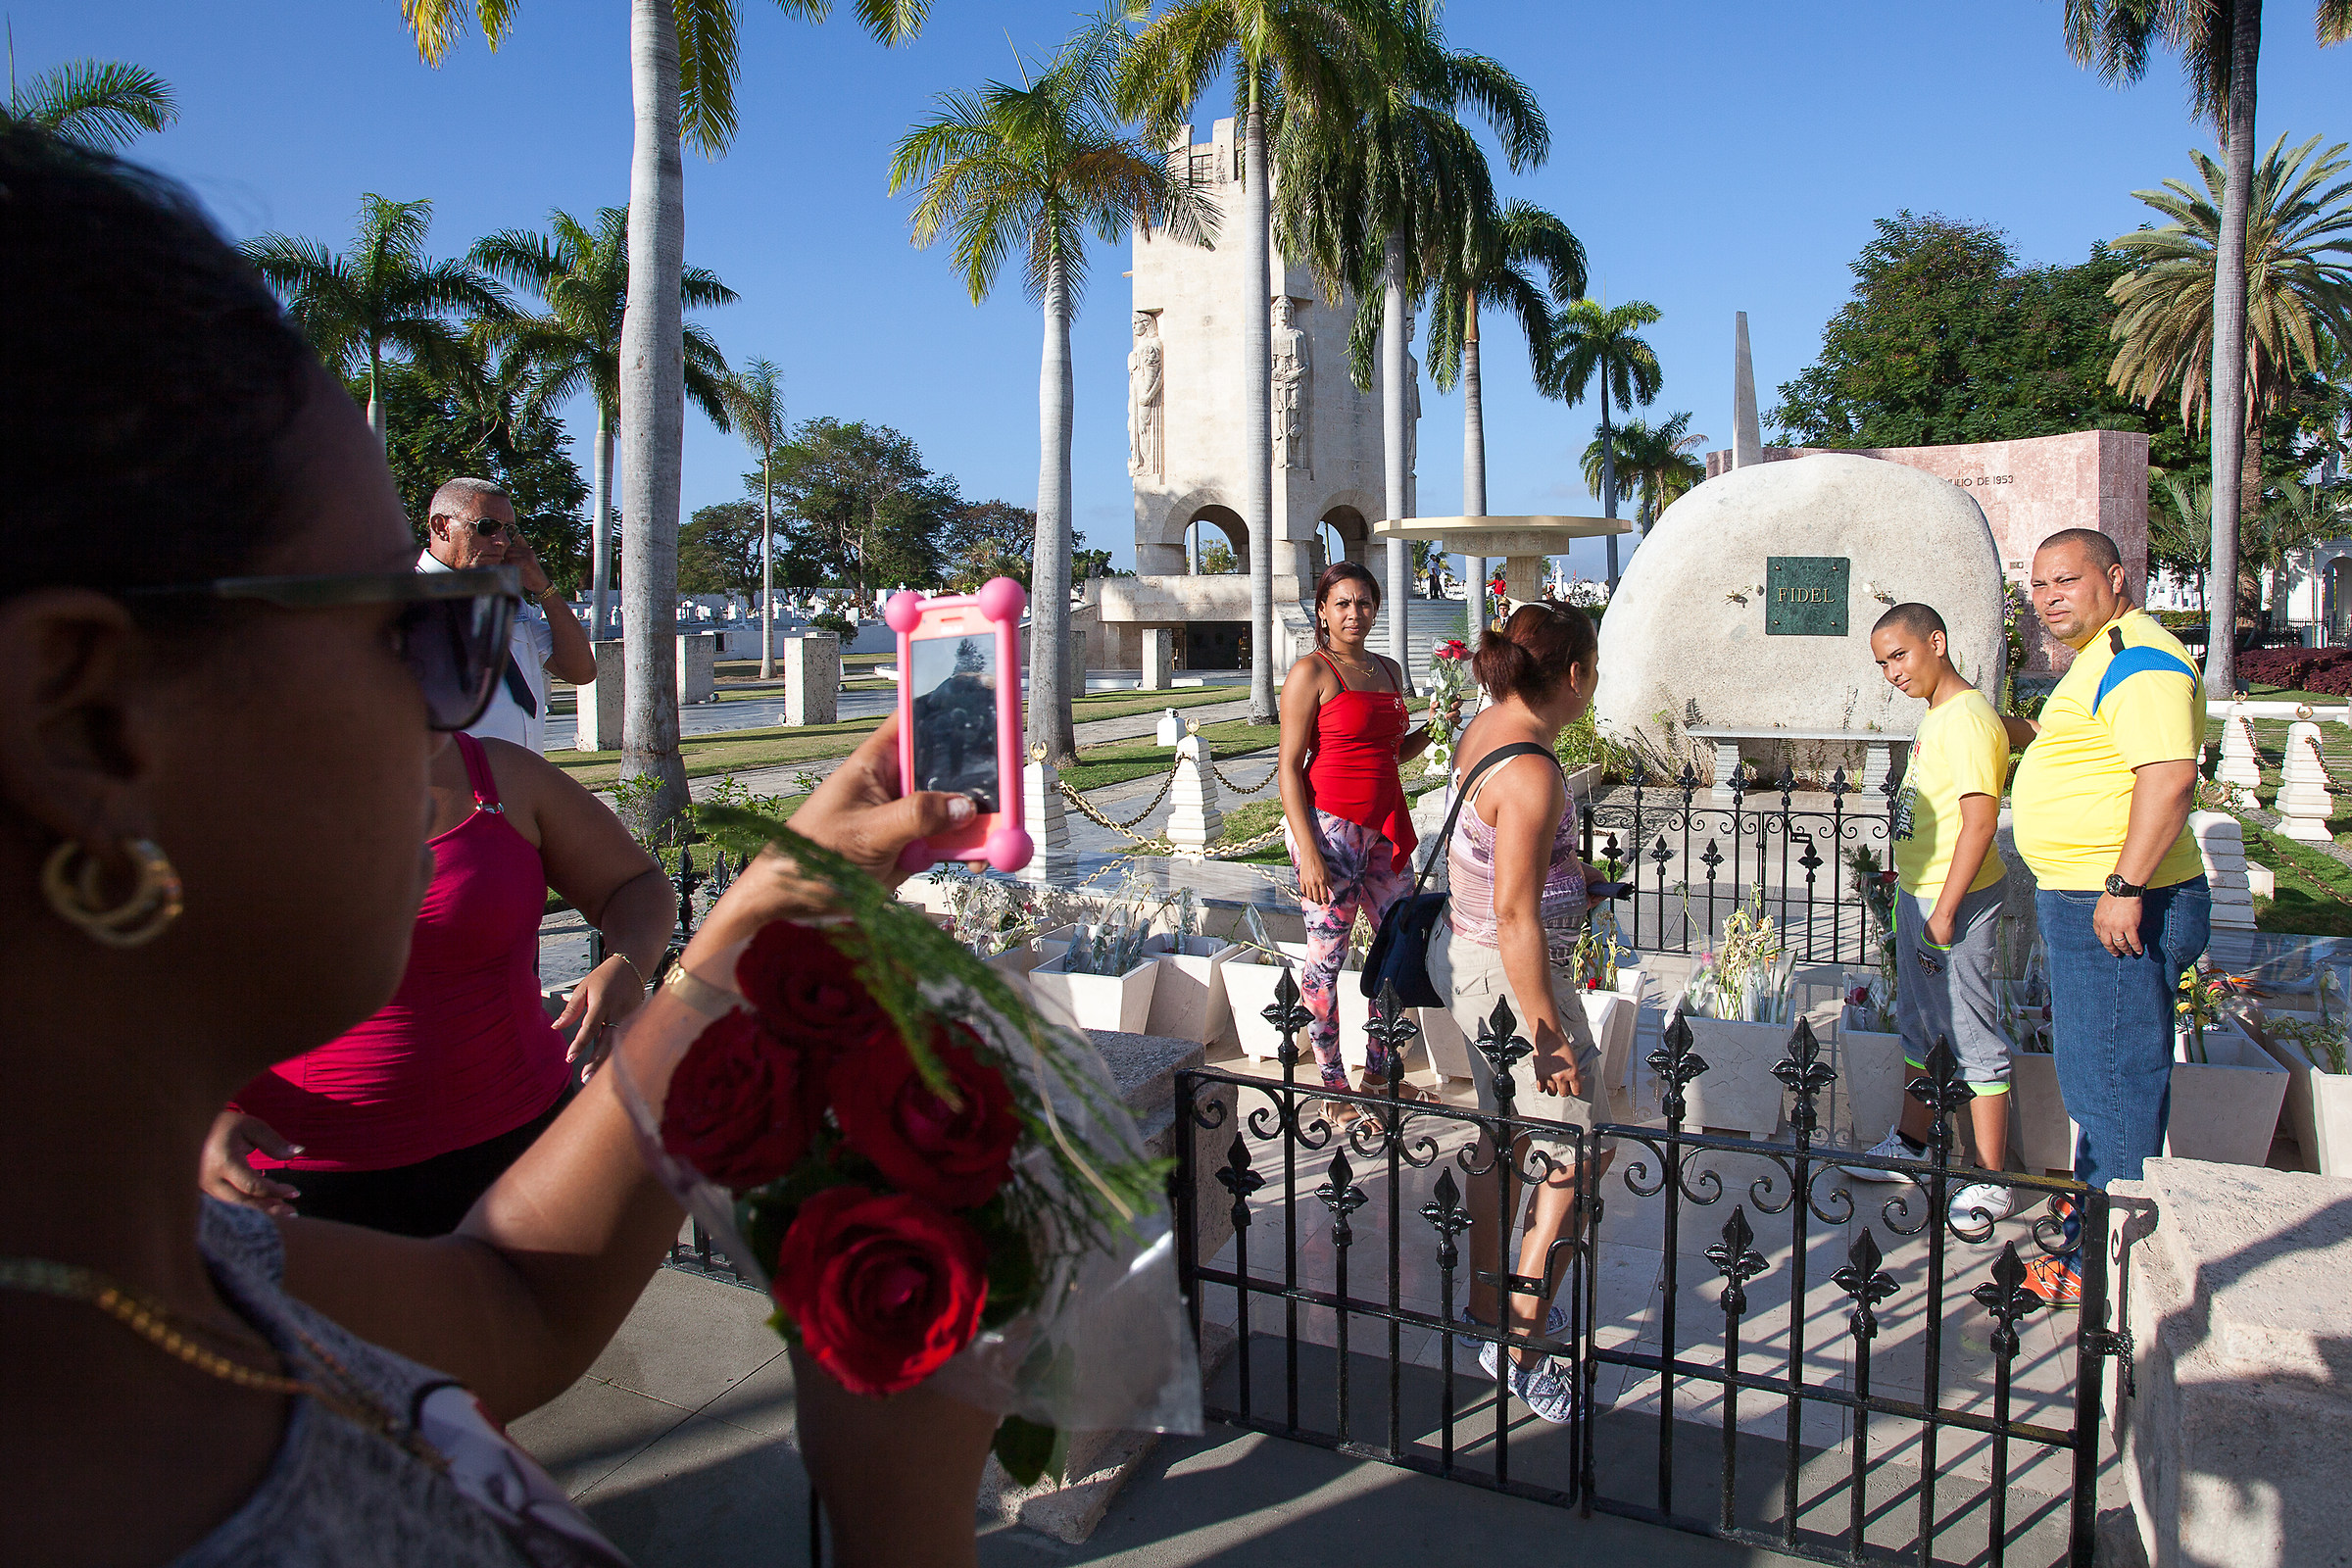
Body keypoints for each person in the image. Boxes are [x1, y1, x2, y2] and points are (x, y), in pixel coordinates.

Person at [0, 126, 998, 1567]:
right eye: (404, 629)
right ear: (88, 725)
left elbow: (511, 1303)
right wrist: (903, 1520)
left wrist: (750, 932)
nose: (455, 704)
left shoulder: (157, 1274)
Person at [202, 729, 676, 1237]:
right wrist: (196, 1122)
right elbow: (131, 995)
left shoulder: (500, 774)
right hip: (295, 1185)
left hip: (527, 1148)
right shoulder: (214, 791)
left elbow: (635, 885)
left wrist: (627, 962)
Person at [1427, 602, 1621, 1426]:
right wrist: (1548, 1039)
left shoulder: (1488, 724)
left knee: (1502, 1139)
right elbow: (1515, 915)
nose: (1596, 683)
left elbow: (1498, 865)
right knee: (1581, 1152)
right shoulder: (1534, 767)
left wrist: (1574, 881)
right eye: (1597, 667)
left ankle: (1484, 1307)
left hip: (1468, 957)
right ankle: (1521, 1344)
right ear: (1574, 673)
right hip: (1511, 981)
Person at [2005, 529, 2208, 1306]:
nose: (2049, 596)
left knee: (2115, 1081)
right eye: (2039, 586)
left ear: (2116, 577)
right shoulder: (2100, 657)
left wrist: (2124, 884)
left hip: (2123, 901)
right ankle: (2097, 1195)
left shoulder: (2138, 658)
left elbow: (2168, 780)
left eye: (2067, 579)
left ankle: (2109, 1260)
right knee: (2094, 1069)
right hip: (2091, 895)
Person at [1843, 604, 2016, 1224]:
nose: (1892, 672)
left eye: (1900, 655)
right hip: (1923, 895)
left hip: (1954, 902)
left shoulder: (1965, 719)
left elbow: (1979, 822)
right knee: (1922, 1024)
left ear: (1936, 643)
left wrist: (1944, 911)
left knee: (1970, 1032)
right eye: (1882, 662)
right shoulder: (1940, 715)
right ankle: (1912, 1144)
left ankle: (1991, 1178)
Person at [1277, 563, 1457, 1116]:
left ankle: (1380, 1074)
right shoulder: (1313, 672)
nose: (1355, 613)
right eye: (1343, 604)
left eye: (1364, 603)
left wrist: (1436, 729)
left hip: (1384, 827)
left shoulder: (1388, 669)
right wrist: (1307, 851)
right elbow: (1287, 766)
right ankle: (1332, 1084)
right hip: (1329, 832)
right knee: (1326, 960)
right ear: (1323, 611)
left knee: (1398, 952)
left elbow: (1390, 752)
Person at [421, 477, 597, 753]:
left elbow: (581, 671)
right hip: (457, 787)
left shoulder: (508, 603)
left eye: (509, 531)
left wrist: (541, 585)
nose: (501, 541)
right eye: (487, 527)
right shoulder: (403, 603)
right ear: (442, 527)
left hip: (524, 780)